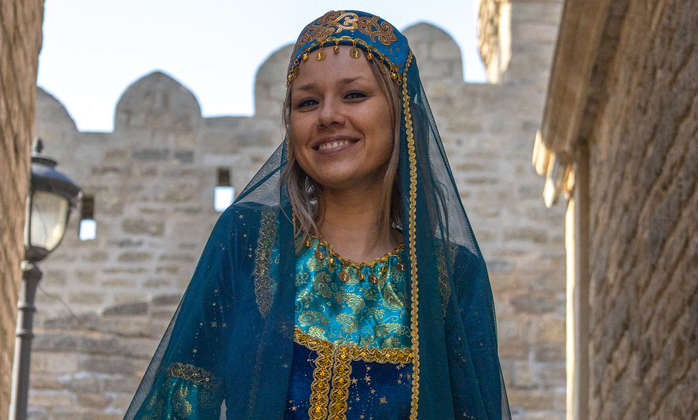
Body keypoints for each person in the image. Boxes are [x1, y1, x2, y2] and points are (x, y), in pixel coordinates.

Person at [124, 10, 510, 420]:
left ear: (401, 116)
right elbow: (179, 401)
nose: (327, 116)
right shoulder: (248, 241)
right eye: (307, 102)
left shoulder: (453, 277)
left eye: (354, 95)